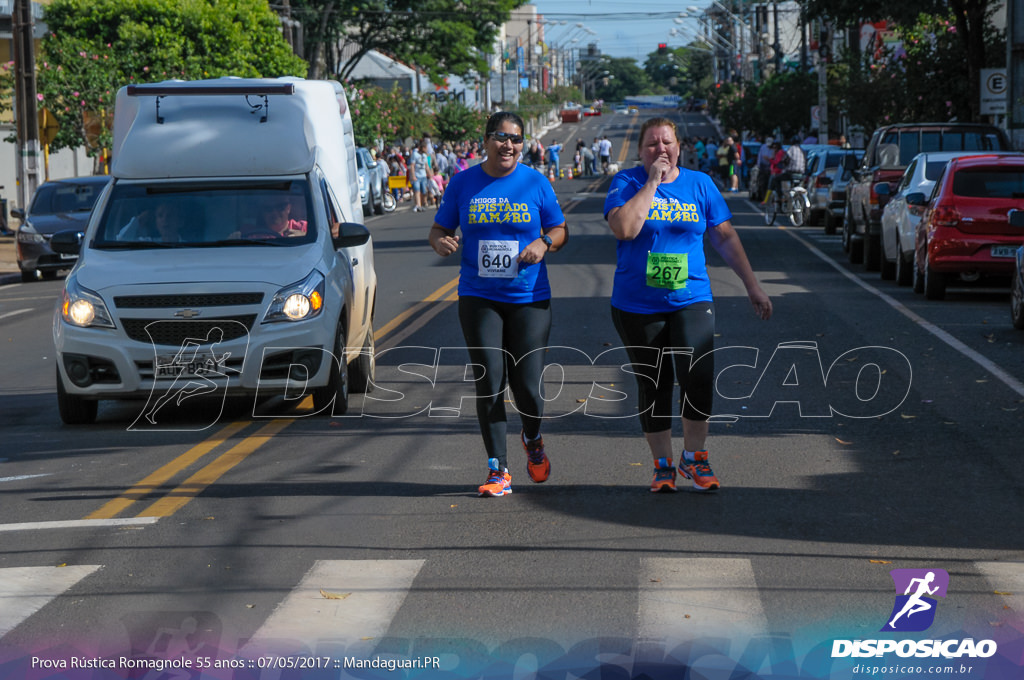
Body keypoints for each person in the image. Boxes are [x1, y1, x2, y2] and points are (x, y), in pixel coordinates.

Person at [603, 117, 772, 493]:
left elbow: (725, 238)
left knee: (697, 376)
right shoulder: (626, 183)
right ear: (641, 151)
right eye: (651, 144)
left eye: (666, 142)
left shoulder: (701, 184)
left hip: (691, 298)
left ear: (679, 147)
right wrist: (651, 183)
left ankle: (694, 457)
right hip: (637, 305)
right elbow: (625, 229)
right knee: (655, 384)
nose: (660, 149)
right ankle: (662, 466)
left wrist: (752, 286)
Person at [428, 111, 569, 497]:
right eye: (501, 137)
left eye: (516, 139)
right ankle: (497, 469)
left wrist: (544, 243)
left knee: (527, 386)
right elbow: (440, 228)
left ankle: (533, 438)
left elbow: (559, 229)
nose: (509, 145)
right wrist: (440, 241)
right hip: (479, 296)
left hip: (529, 298)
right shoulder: (463, 184)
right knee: (489, 380)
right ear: (486, 140)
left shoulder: (536, 183)